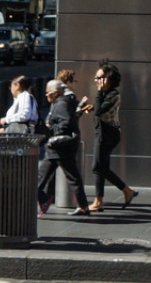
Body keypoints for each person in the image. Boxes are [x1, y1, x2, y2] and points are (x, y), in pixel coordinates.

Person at [80, 62, 138, 210]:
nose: (95, 80)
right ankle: (122, 192)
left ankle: (117, 194)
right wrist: (93, 106)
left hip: (108, 134)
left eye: (98, 78)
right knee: (101, 167)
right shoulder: (107, 94)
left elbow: (101, 111)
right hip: (103, 133)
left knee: (97, 166)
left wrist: (98, 94)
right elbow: (99, 109)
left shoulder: (113, 95)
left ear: (108, 80)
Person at [38, 78, 87, 216]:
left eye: (48, 93)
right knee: (71, 177)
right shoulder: (64, 101)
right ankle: (83, 206)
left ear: (55, 93)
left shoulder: (61, 103)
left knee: (40, 179)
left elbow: (65, 123)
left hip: (59, 147)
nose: (46, 95)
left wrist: (50, 128)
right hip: (60, 148)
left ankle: (42, 201)